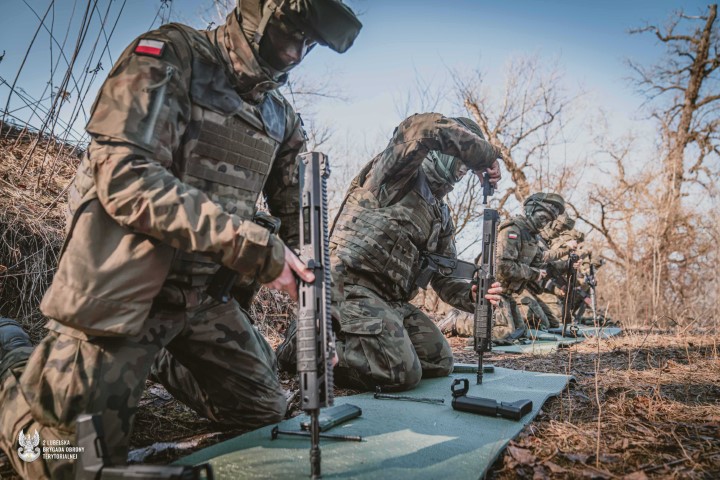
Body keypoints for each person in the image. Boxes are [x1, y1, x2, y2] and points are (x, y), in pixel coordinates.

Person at [0, 1, 361, 478]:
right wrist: (251, 247)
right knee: (66, 464)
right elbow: (126, 178)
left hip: (200, 300)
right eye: (287, 35)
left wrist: (320, 317)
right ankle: (12, 359)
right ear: (257, 15)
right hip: (124, 293)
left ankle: (152, 359)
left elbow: (301, 226)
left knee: (265, 412)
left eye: (308, 44)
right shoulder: (169, 56)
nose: (295, 55)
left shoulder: (280, 118)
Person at [278, 113, 504, 391]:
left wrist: (472, 295)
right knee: (401, 372)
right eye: (463, 160)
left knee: (439, 361)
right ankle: (301, 347)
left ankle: (347, 341)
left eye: (468, 167)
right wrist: (485, 155)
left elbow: (444, 278)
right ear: (447, 151)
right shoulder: (398, 172)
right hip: (345, 286)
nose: (463, 171)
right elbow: (421, 128)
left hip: (389, 300)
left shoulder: (441, 214)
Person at [493, 192, 565, 339]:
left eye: (548, 221)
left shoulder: (532, 236)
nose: (544, 224)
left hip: (509, 294)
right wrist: (534, 273)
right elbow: (503, 267)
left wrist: (566, 265)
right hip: (494, 292)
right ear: (530, 210)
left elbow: (541, 263)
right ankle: (457, 320)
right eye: (542, 218)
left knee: (522, 331)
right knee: (503, 334)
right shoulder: (512, 229)